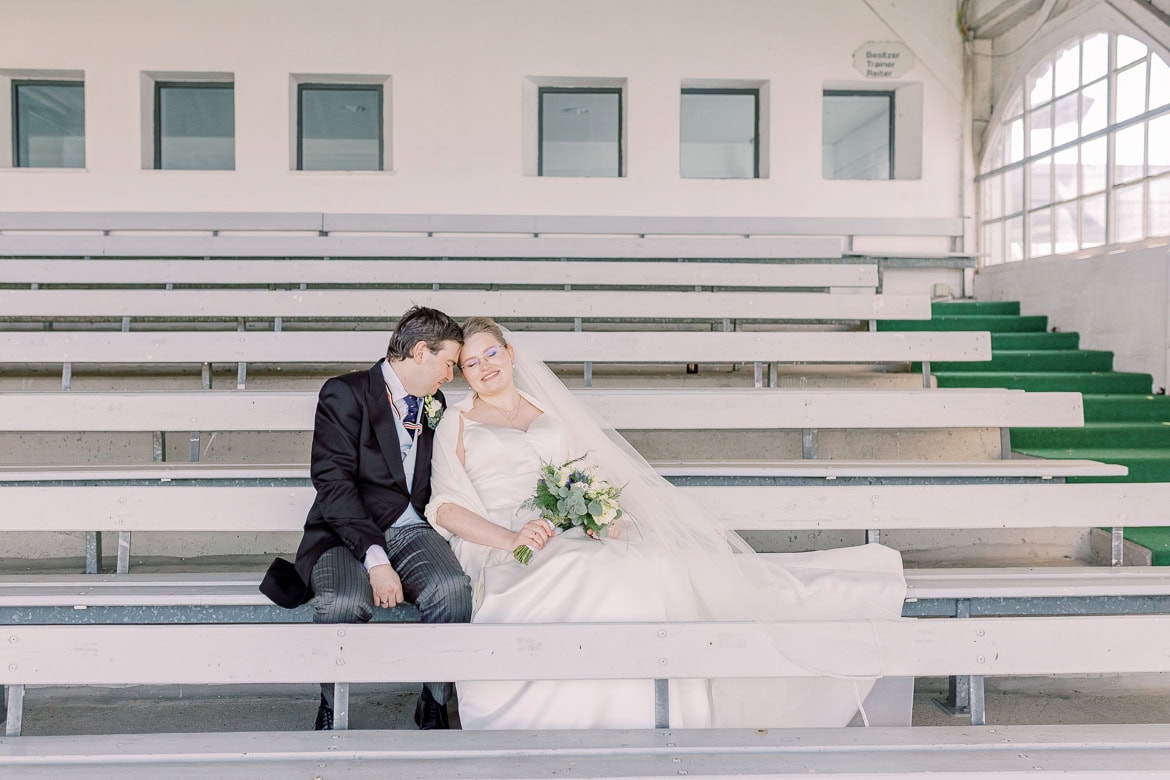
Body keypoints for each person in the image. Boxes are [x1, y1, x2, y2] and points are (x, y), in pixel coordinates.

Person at [425, 317, 908, 730]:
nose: (485, 367)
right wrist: (511, 537)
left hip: (569, 527)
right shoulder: (458, 423)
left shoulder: (549, 411)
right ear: (461, 372)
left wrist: (601, 514)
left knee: (643, 567)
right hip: (509, 542)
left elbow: (587, 474)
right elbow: (444, 507)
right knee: (588, 571)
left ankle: (652, 712)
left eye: (491, 354)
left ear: (510, 354)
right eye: (471, 362)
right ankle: (581, 715)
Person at [260, 306, 473, 731]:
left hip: (413, 529)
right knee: (342, 602)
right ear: (419, 352)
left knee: (453, 590)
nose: (450, 375)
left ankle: (434, 702)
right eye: (448, 362)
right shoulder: (346, 392)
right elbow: (332, 481)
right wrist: (377, 561)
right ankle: (331, 705)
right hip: (344, 532)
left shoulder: (436, 401)